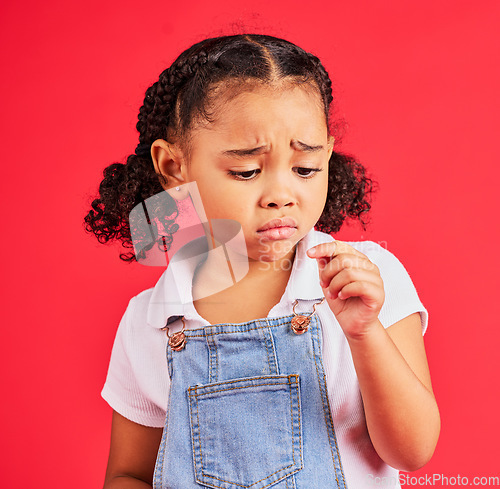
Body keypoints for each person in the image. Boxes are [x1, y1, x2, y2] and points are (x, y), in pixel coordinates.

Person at [84, 34, 440, 489]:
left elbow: (412, 452)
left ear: (328, 156)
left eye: (306, 169)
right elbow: (129, 473)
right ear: (174, 168)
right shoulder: (151, 320)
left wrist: (365, 333)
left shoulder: (367, 279)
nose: (280, 196)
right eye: (246, 171)